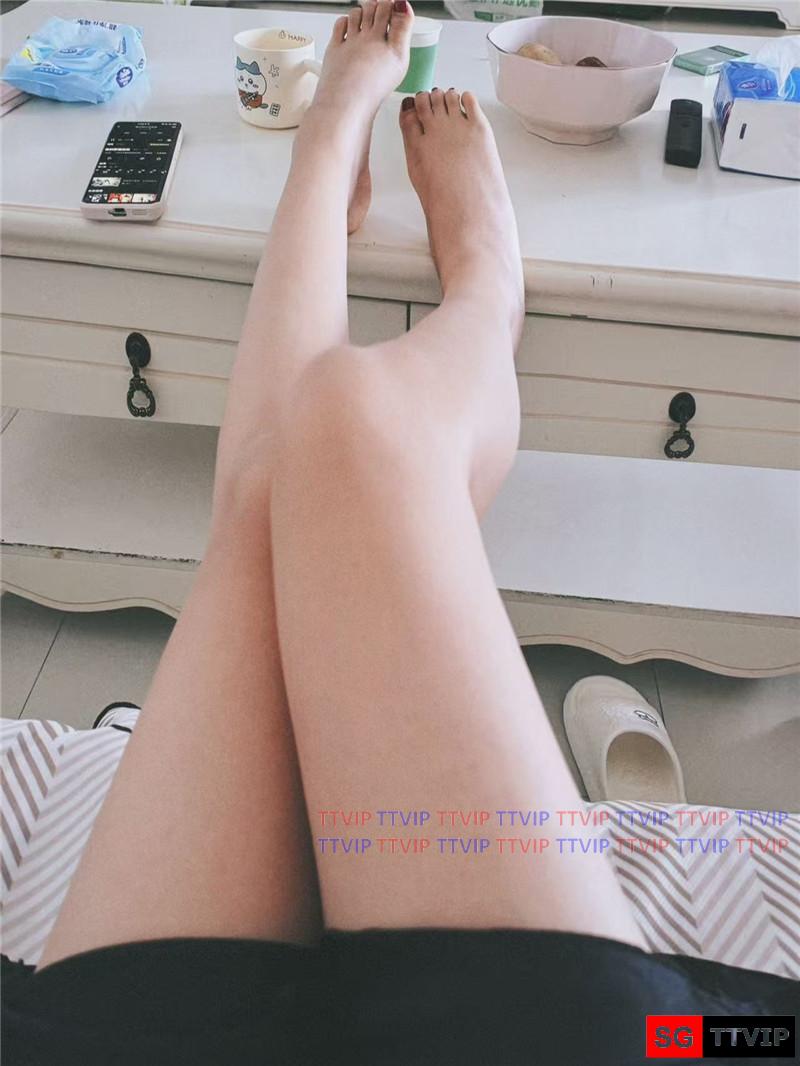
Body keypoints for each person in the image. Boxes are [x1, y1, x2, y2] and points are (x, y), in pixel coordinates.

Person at [2, 4, 795, 1063]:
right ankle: (485, 285)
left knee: (271, 491)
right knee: (345, 425)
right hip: (617, 1040)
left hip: (115, 1032)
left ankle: (326, 155)